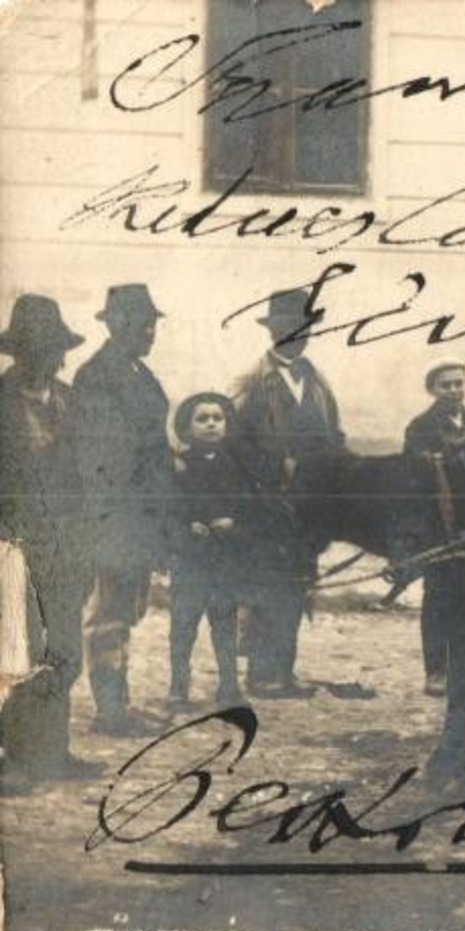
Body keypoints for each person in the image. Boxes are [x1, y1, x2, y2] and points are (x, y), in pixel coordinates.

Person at [0, 294, 101, 785]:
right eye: (31, 348)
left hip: (68, 548)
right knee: (17, 653)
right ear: (16, 351)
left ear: (62, 351)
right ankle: (14, 760)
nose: (43, 357)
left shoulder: (71, 401)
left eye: (51, 348)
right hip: (13, 548)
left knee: (64, 650)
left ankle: (54, 753)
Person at [233, 288, 346, 698]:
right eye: (287, 328)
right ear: (273, 331)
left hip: (306, 507)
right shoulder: (250, 382)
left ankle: (284, 669)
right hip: (265, 505)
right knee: (266, 584)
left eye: (304, 328)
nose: (296, 336)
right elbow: (236, 443)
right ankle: (261, 673)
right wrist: (277, 468)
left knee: (298, 584)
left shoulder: (318, 384)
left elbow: (334, 435)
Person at [72, 284, 172, 736]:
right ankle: (109, 710)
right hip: (114, 513)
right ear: (116, 325)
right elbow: (110, 454)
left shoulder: (138, 373)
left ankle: (120, 701)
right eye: (140, 323)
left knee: (128, 608)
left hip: (141, 513)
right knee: (110, 611)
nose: (150, 332)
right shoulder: (97, 376)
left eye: (152, 323)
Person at [403, 359, 465, 697]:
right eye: (446, 385)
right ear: (432, 389)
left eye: (459, 383)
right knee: (439, 596)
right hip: (438, 521)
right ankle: (436, 670)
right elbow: (413, 473)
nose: (454, 390)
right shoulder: (420, 426)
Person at [166, 393, 257, 711]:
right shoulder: (177, 466)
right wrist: (189, 526)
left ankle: (229, 685)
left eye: (217, 419)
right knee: (183, 624)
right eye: (202, 419)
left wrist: (233, 522)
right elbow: (171, 512)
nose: (210, 425)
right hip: (190, 560)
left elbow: (249, 508)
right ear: (188, 427)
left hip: (224, 559)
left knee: (224, 624)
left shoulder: (237, 467)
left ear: (226, 425)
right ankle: (178, 687)